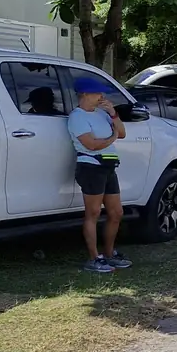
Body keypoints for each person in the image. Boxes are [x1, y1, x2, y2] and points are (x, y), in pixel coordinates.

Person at [67, 77, 132, 273]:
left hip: (108, 166)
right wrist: (112, 137)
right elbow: (91, 144)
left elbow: (122, 133)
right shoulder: (77, 117)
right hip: (91, 167)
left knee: (116, 212)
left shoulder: (101, 113)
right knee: (93, 212)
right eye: (96, 93)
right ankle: (94, 257)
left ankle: (110, 253)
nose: (101, 97)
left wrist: (113, 113)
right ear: (85, 94)